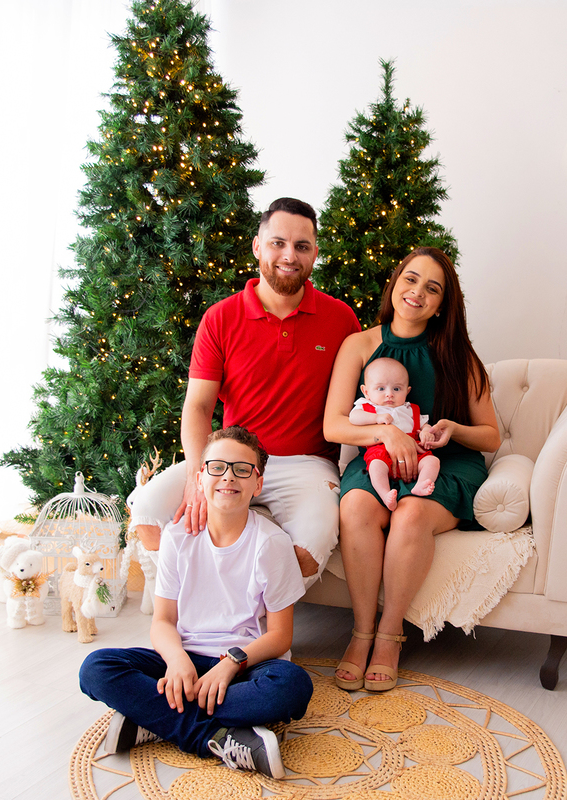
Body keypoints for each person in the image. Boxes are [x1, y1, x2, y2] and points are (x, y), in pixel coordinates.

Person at [129, 198, 361, 587]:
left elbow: (357, 401)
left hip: (308, 463)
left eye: (302, 246)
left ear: (315, 254)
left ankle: (249, 625)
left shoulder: (341, 319)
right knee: (148, 513)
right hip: (233, 455)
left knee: (312, 546)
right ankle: (201, 609)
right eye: (278, 243)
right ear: (257, 246)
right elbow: (199, 405)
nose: (289, 255)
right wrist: (196, 472)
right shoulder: (221, 317)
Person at [79, 426, 312, 776]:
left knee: (292, 686)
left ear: (257, 484)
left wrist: (230, 664)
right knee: (96, 669)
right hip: (184, 663)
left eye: (242, 469)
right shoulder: (177, 537)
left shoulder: (271, 544)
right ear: (200, 477)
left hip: (242, 667)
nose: (228, 477)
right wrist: (175, 661)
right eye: (217, 467)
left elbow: (280, 637)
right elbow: (162, 621)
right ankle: (212, 737)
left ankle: (154, 719)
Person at [323, 247, 501, 692]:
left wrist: (452, 427)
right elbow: (334, 425)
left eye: (432, 287)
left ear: (443, 303)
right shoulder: (360, 345)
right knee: (358, 509)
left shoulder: (458, 354)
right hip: (377, 457)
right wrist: (387, 433)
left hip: (443, 461)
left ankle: (389, 636)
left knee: (411, 514)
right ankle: (361, 632)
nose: (417, 292)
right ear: (395, 283)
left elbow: (491, 436)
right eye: (411, 279)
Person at [349, 356, 440, 510]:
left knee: (433, 462)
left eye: (396, 389)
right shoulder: (367, 406)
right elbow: (353, 418)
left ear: (407, 391)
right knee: (376, 466)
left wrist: (426, 432)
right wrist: (376, 418)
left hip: (413, 449)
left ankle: (421, 485)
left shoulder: (411, 409)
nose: (389, 394)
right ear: (366, 391)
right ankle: (385, 494)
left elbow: (424, 425)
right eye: (381, 388)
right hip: (381, 449)